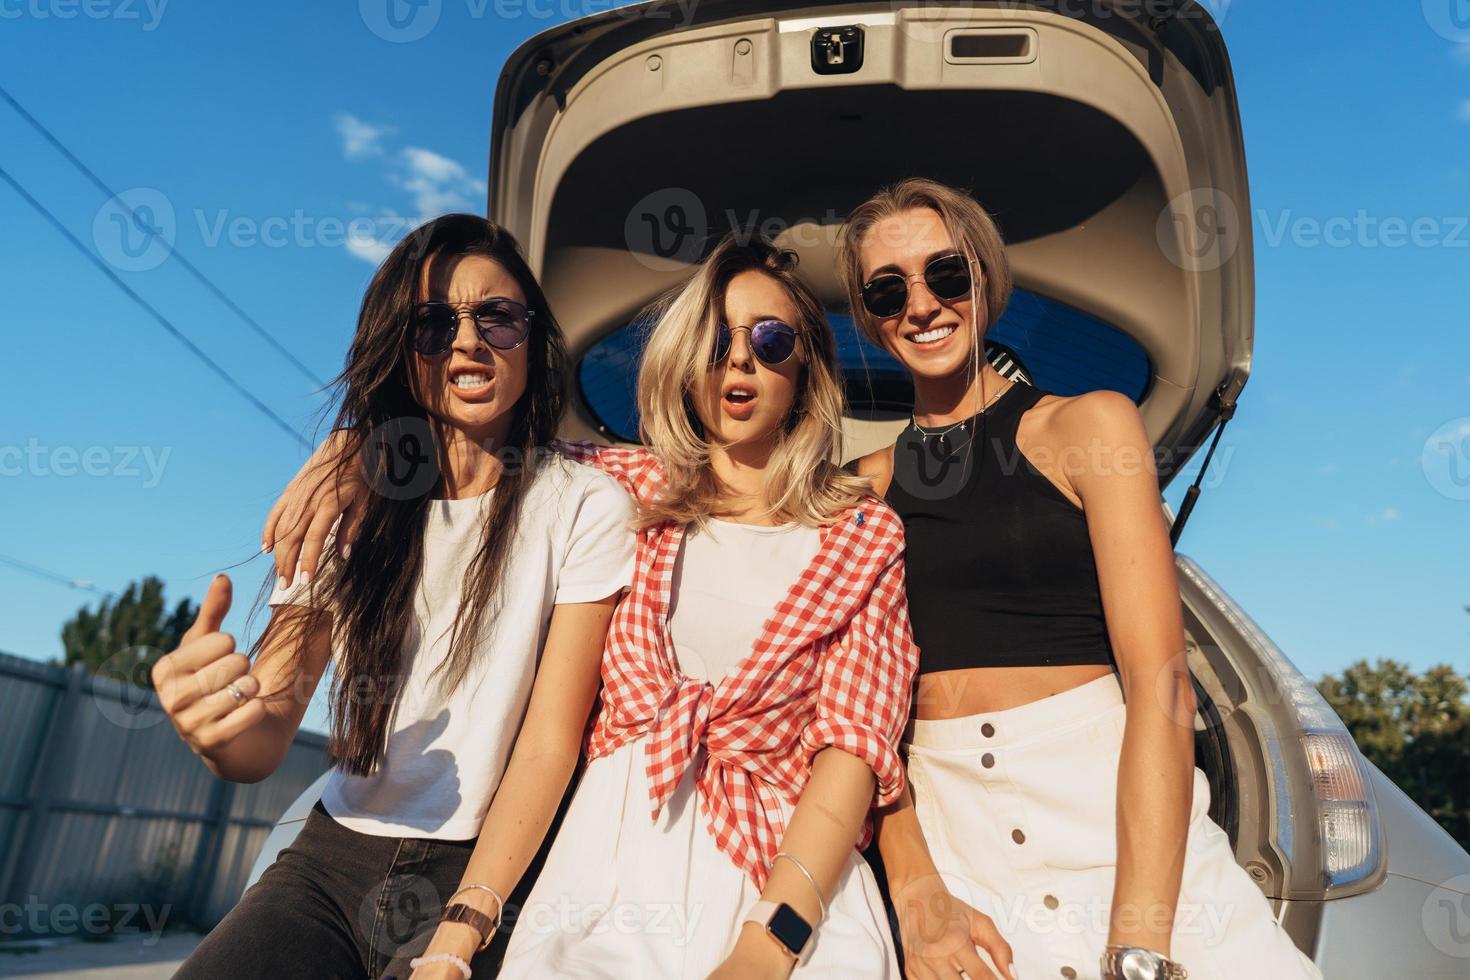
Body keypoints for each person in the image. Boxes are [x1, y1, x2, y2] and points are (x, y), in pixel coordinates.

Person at [266, 233, 951, 979]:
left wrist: (770, 942)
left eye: (771, 338)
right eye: (714, 338)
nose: (740, 359)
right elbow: (474, 446)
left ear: (807, 369)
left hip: (785, 878)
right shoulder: (617, 488)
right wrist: (356, 447)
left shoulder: (862, 534)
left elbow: (851, 750)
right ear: (684, 360)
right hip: (605, 877)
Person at [838, 178, 1323, 980]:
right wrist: (920, 896)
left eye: (946, 274)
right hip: (953, 830)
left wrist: (1140, 944)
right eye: (888, 290)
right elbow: (858, 726)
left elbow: (1161, 685)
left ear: (984, 279)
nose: (921, 304)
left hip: (1120, 812)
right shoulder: (859, 489)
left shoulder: (1090, 424)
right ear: (869, 316)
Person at [164, 214, 635, 980]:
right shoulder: (346, 500)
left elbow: (551, 742)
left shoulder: (584, 504)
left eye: (497, 317)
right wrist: (220, 731)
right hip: (329, 858)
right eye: (432, 324)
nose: (467, 340)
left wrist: (464, 926)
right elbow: (270, 726)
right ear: (400, 346)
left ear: (531, 338)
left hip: (487, 869)